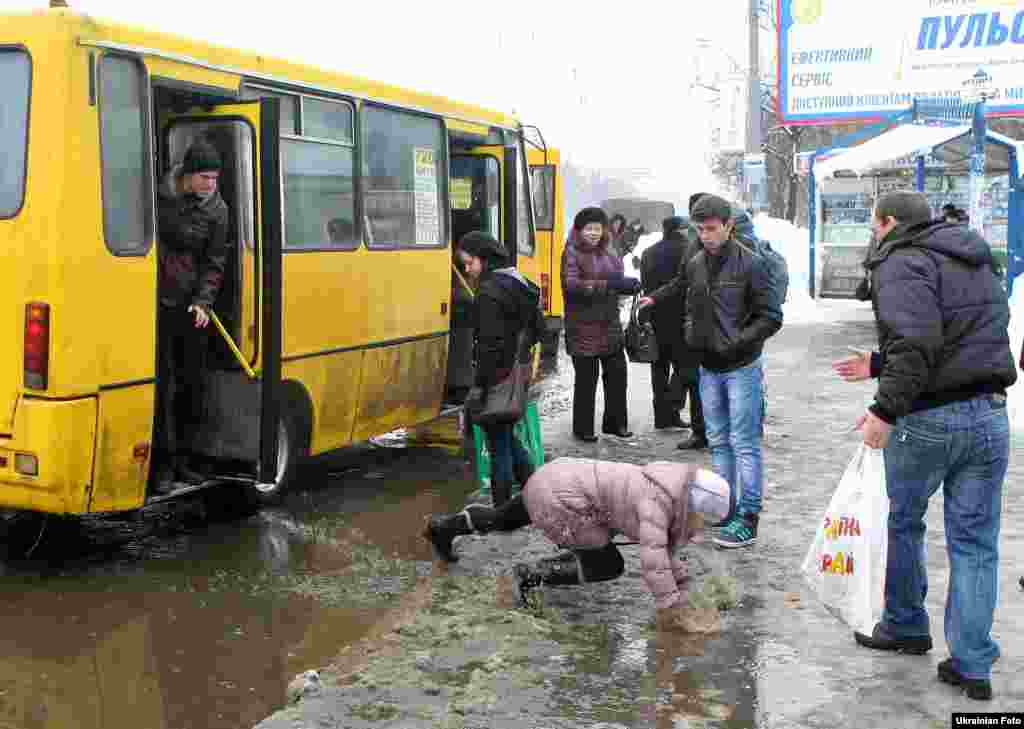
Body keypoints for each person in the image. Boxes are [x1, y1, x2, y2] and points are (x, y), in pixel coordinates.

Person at [832, 190, 1014, 702]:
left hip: (928, 417)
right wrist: (878, 363)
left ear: (889, 222)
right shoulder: (973, 255)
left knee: (902, 521)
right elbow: (961, 336)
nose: (873, 234)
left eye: (874, 224)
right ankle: (972, 663)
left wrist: (884, 410)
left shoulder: (900, 260)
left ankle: (906, 624)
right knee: (975, 544)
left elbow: (916, 343)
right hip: (989, 414)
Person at [423, 457, 735, 623]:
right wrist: (673, 606)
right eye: (705, 521)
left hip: (555, 477)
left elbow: (663, 552)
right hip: (563, 502)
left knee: (501, 519)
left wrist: (683, 583)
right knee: (607, 563)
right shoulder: (657, 506)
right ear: (696, 507)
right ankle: (527, 576)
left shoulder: (668, 482)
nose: (702, 529)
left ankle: (443, 527)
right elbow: (655, 561)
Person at [639, 194, 782, 548]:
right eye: (700, 229)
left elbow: (771, 316)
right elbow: (682, 285)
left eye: (711, 229)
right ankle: (727, 508)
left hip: (741, 366)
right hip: (707, 365)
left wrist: (738, 341)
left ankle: (749, 517)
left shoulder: (752, 264)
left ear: (728, 225)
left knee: (744, 442)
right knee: (718, 441)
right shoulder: (696, 261)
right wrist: (655, 298)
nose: (705, 236)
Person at [154, 140, 230, 491]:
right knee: (162, 387)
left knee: (190, 386)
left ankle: (185, 461)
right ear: (187, 174)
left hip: (190, 308)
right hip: (157, 305)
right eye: (205, 178)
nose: (211, 185)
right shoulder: (160, 196)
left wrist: (203, 301)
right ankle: (162, 466)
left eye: (215, 178)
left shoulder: (218, 211)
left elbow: (215, 263)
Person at [458, 231, 543, 507]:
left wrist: (479, 387)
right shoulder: (519, 282)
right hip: (516, 374)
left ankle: (502, 509)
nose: (467, 270)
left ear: (484, 259)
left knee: (499, 449)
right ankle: (536, 492)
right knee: (506, 438)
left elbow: (488, 346)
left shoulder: (488, 292)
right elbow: (538, 328)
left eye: (469, 263)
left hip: (497, 378)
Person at [561, 207, 641, 442]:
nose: (594, 233)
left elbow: (615, 279)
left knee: (617, 376)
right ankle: (583, 428)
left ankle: (616, 424)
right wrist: (608, 285)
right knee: (587, 381)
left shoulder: (609, 250)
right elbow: (571, 285)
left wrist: (627, 285)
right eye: (589, 228)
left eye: (597, 228)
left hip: (609, 324)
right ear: (579, 230)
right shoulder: (571, 252)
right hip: (582, 326)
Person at [640, 216, 703, 438]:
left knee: (658, 368)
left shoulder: (648, 253)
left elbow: (645, 284)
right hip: (680, 317)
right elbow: (686, 283)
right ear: (681, 229)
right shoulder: (690, 251)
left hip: (655, 315)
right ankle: (674, 410)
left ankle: (661, 417)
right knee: (683, 367)